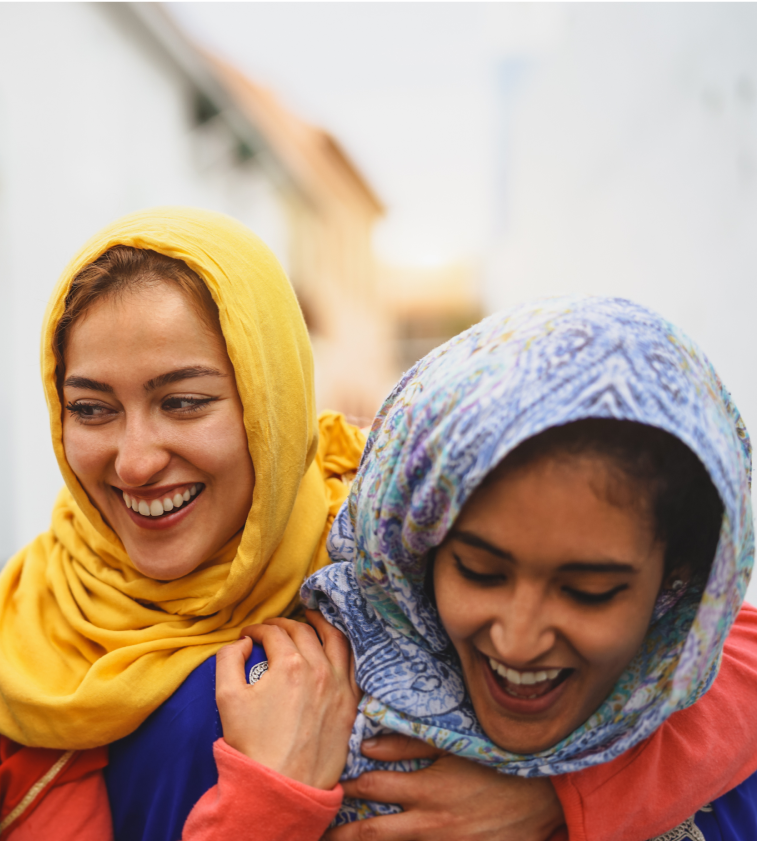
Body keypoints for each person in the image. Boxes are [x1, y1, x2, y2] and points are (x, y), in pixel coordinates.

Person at [0, 208, 757, 840]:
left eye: (184, 401)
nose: (136, 460)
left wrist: (558, 792)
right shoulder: (37, 644)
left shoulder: (396, 545)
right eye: (90, 408)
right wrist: (271, 795)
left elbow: (725, 656)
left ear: (271, 397)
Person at [288, 296, 757, 839]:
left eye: (589, 591)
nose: (517, 641)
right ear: (416, 550)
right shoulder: (276, 711)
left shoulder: (730, 777)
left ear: (678, 584)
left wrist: (570, 796)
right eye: (480, 572)